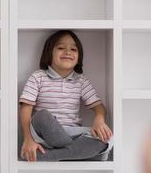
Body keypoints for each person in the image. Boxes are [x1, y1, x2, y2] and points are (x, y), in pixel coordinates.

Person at [19, 30, 113, 162]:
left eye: (73, 49)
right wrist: (28, 139)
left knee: (105, 140)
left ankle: (49, 156)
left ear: (79, 56)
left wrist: (99, 119)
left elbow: (100, 108)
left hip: (72, 133)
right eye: (61, 48)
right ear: (49, 52)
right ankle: (74, 154)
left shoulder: (81, 81)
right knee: (42, 115)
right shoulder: (38, 77)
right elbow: (25, 109)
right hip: (44, 135)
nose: (68, 52)